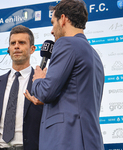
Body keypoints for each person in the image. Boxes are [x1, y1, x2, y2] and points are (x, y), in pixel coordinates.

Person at [24, 0, 105, 150]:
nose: (52, 31)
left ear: (63, 19)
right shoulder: (94, 55)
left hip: (66, 140)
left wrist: (39, 80)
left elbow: (46, 92)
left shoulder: (66, 44)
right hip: (89, 141)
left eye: (53, 22)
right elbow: (77, 98)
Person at [0, 25, 43, 150]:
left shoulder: (42, 82)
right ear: (8, 49)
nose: (16, 46)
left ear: (32, 49)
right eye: (13, 43)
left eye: (21, 42)